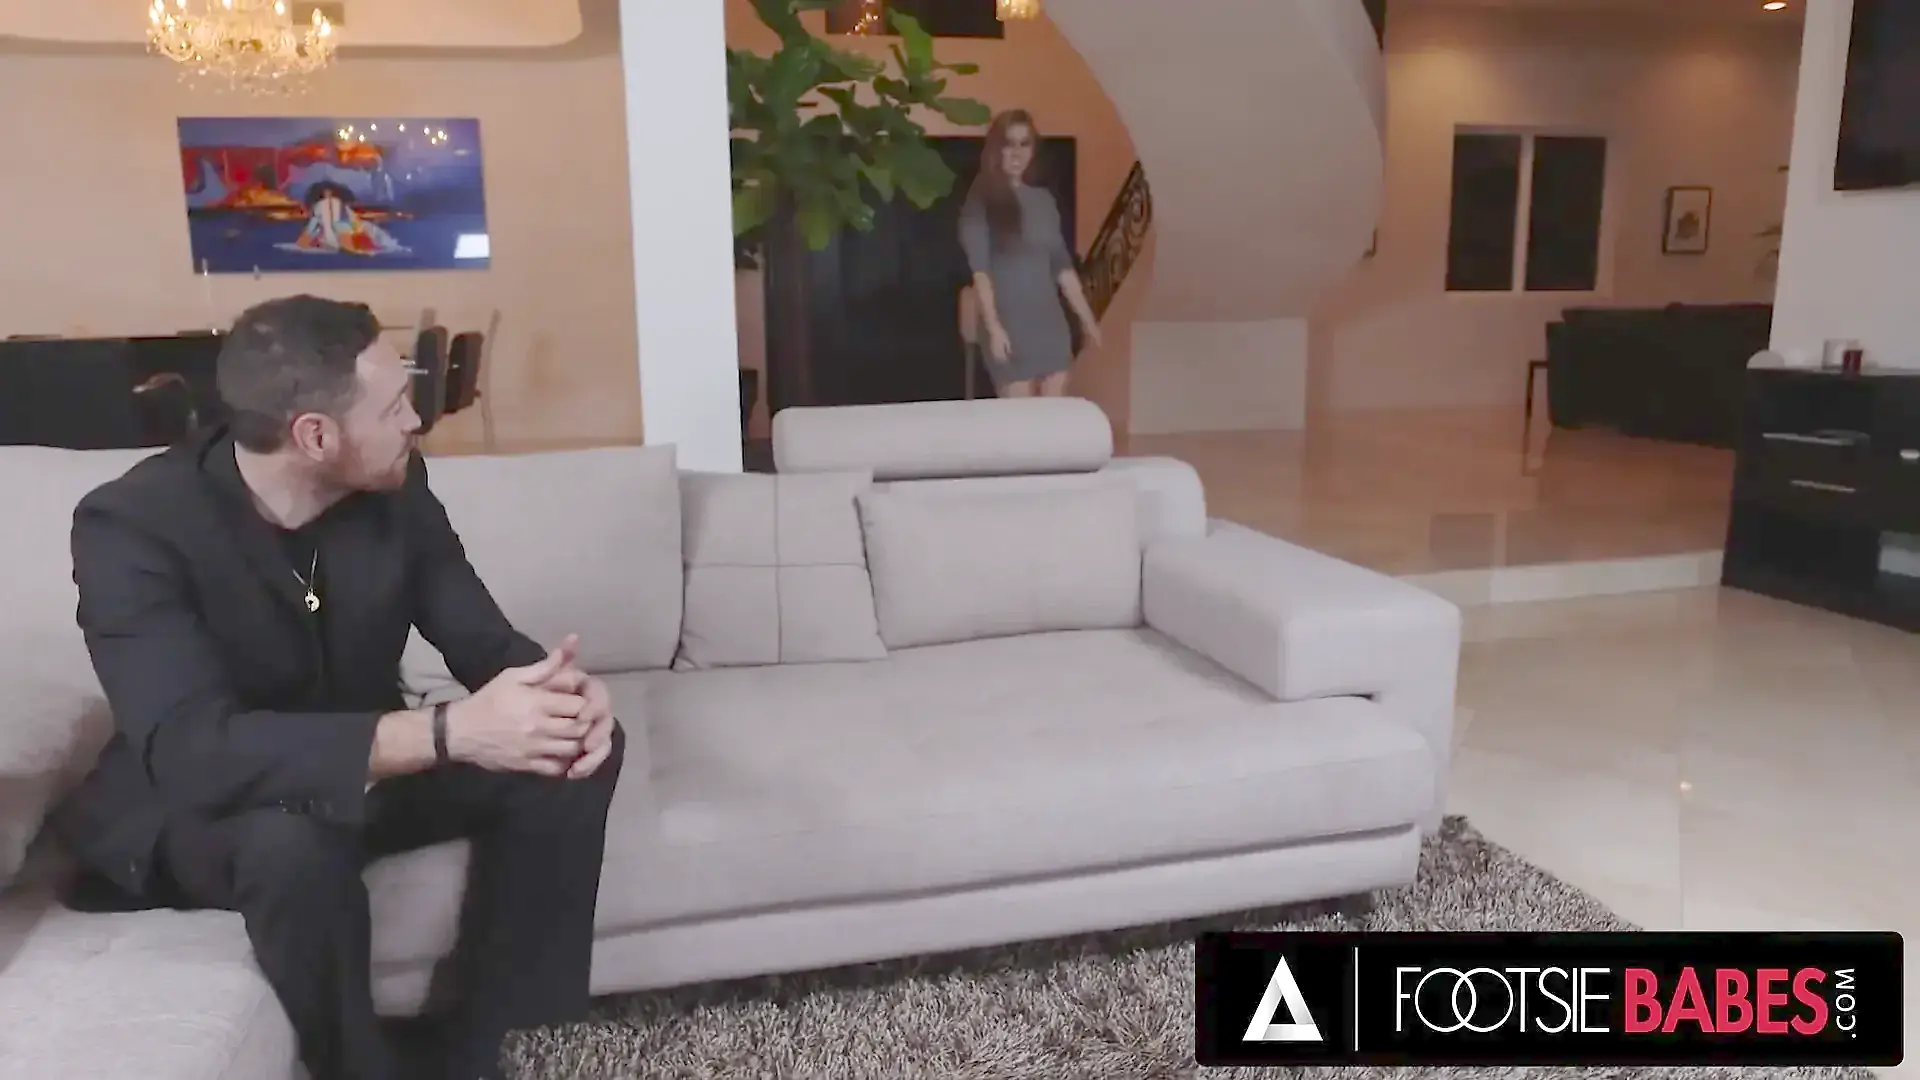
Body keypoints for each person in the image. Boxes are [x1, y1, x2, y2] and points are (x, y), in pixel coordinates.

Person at [50, 295, 625, 1080]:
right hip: (210, 806)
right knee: (292, 846)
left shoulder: (395, 487)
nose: (416, 421)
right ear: (315, 436)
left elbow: (483, 642)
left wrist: (555, 692)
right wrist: (449, 732)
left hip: (364, 774)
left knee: (571, 747)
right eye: (394, 407)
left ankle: (507, 1050)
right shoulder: (132, 526)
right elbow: (193, 750)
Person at [958, 109, 1103, 398]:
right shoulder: (980, 202)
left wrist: (1088, 320)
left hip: (1050, 325)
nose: (1017, 153)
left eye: (1025, 144)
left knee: (1052, 416)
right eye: (1009, 144)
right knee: (1020, 419)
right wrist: (994, 328)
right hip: (1008, 324)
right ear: (996, 150)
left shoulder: (1043, 201)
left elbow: (1062, 267)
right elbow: (981, 274)